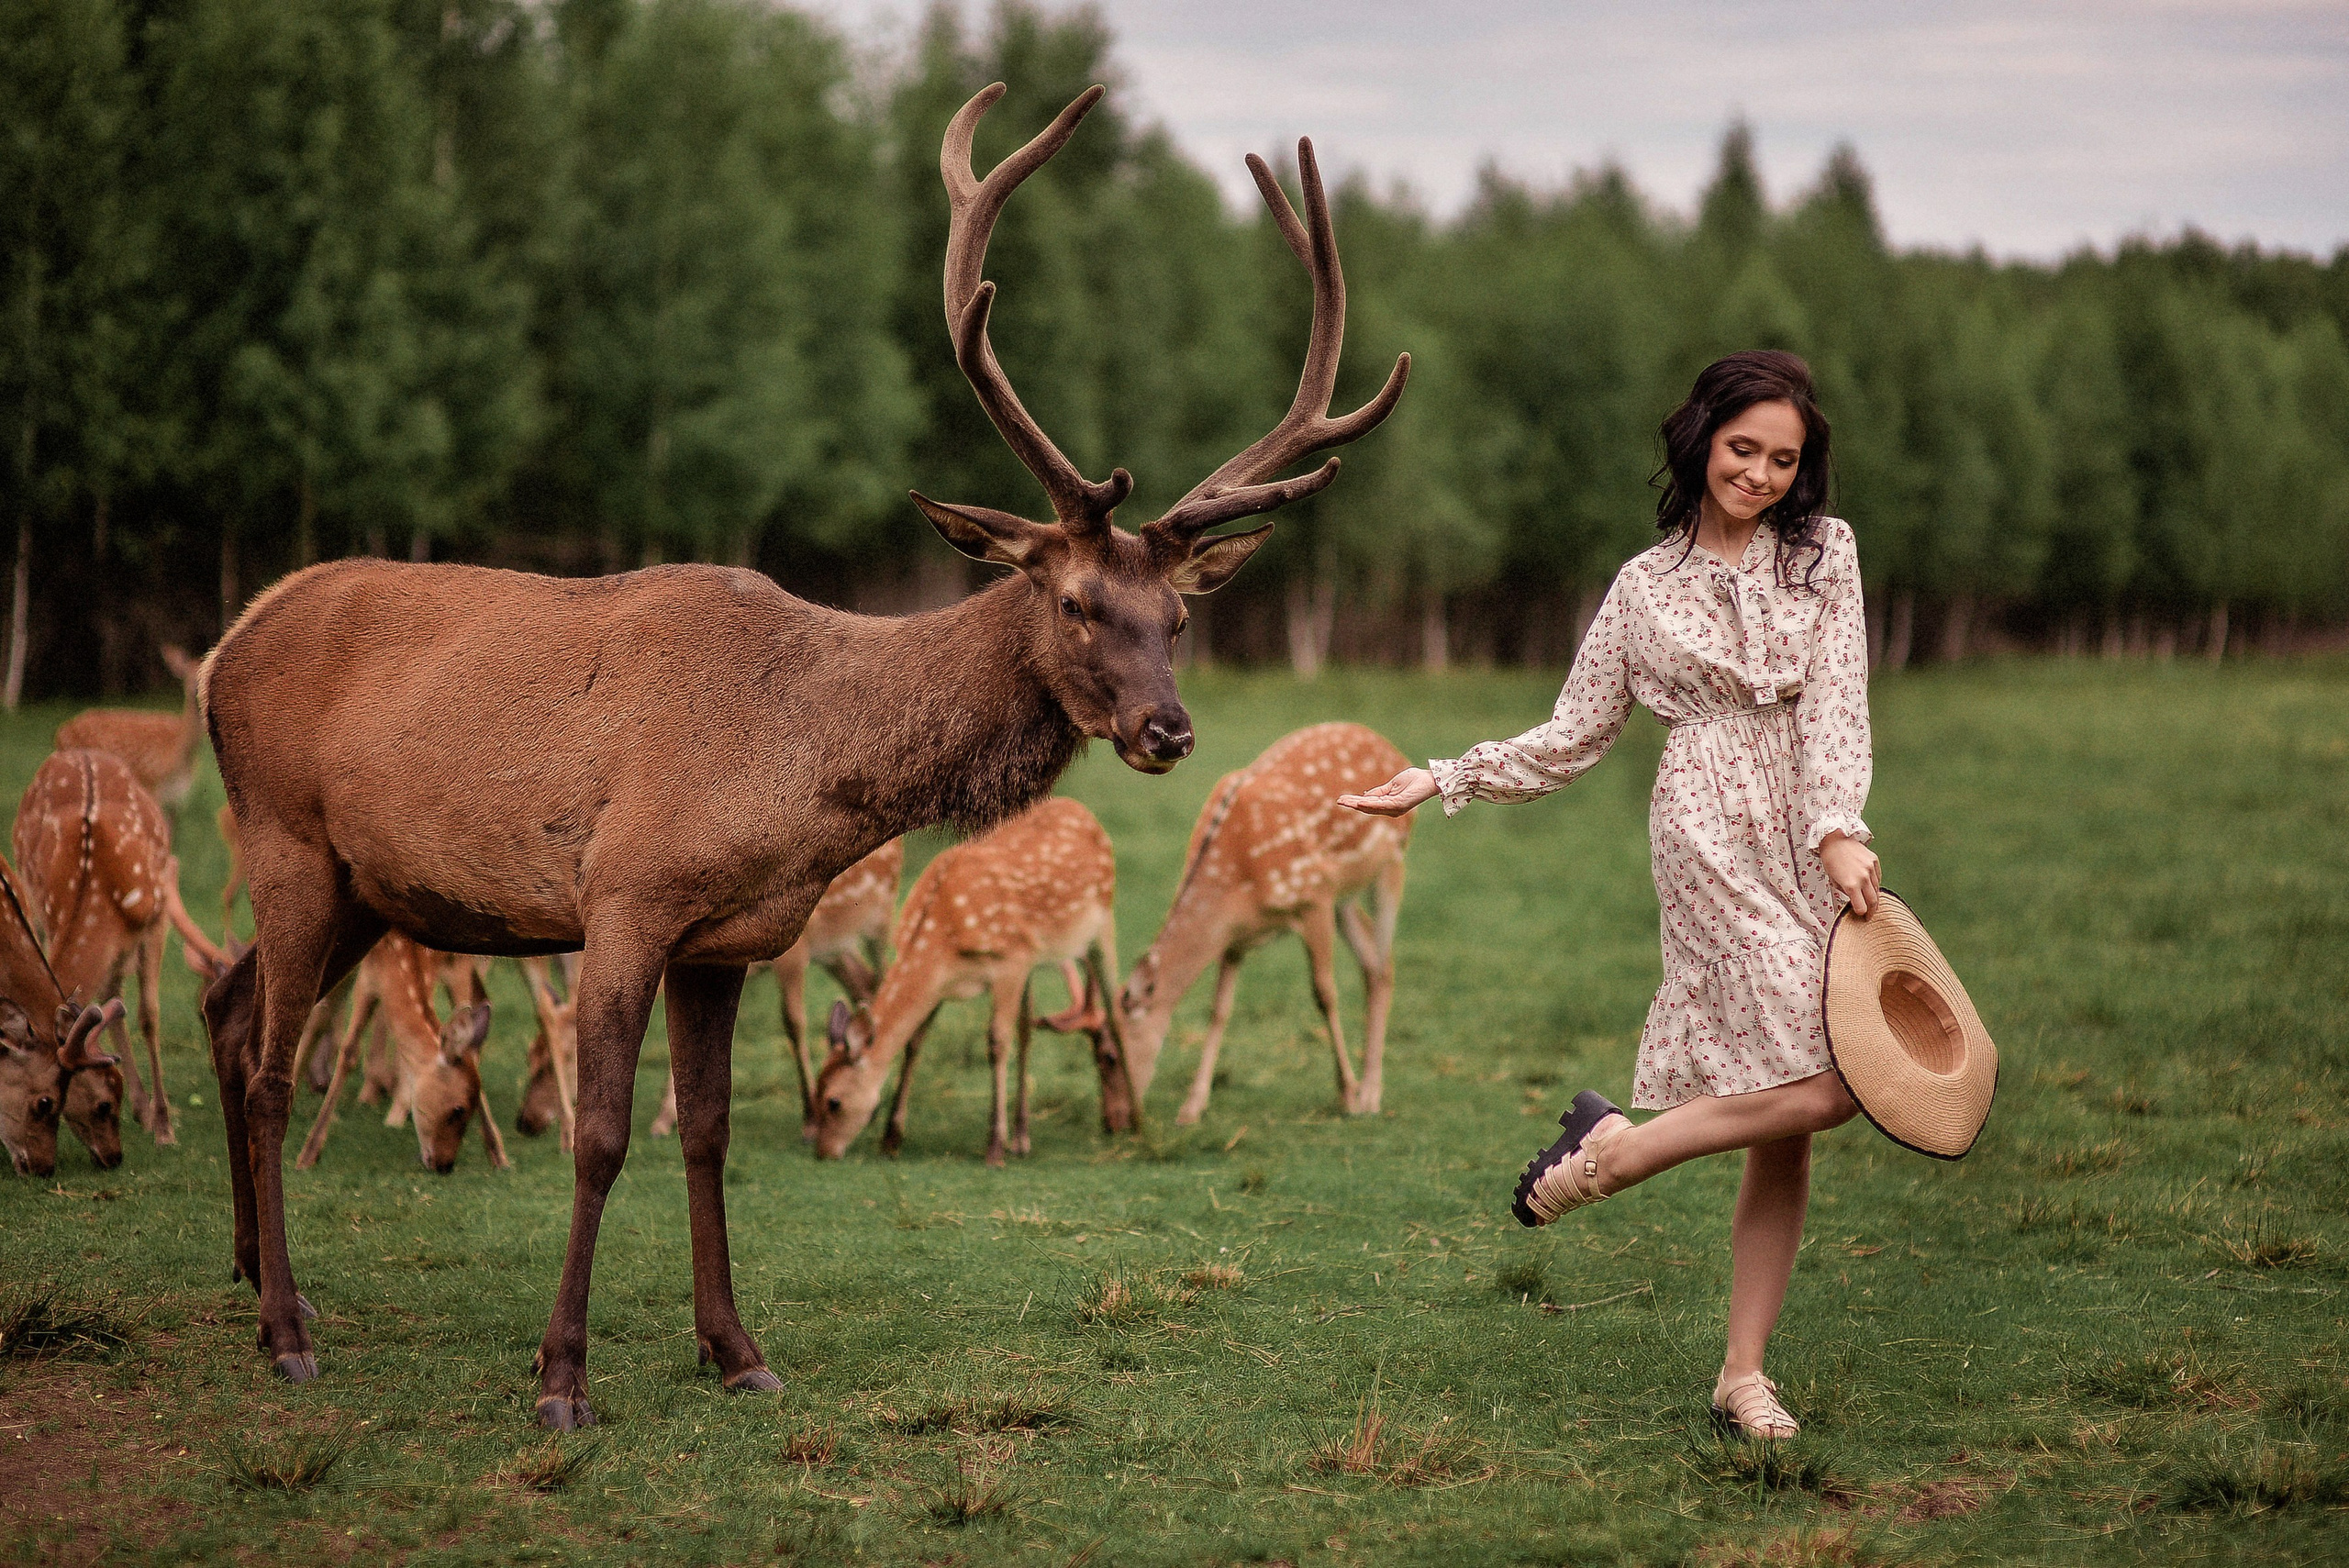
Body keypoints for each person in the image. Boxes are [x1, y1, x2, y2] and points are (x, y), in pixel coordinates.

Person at [1340, 350, 1880, 1442]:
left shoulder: (1824, 553)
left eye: (1783, 459)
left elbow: (1839, 700)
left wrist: (1834, 826)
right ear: (1701, 439)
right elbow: (1574, 732)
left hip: (1808, 829)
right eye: (1742, 449)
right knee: (1827, 1083)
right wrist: (1446, 775)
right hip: (1705, 829)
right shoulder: (1643, 587)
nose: (1760, 474)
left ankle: (1741, 1373)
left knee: (1792, 1116)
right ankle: (1616, 1156)